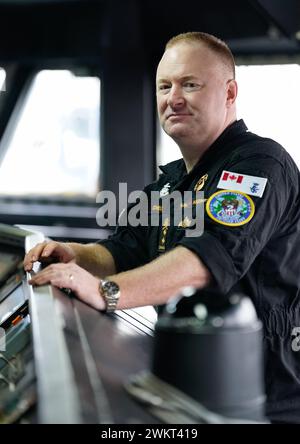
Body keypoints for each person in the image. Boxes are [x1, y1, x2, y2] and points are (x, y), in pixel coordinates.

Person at [24, 32, 300, 424]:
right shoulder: (170, 186)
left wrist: (107, 292)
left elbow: (207, 261)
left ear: (230, 92)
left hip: (263, 400)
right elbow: (122, 250)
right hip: (189, 385)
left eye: (190, 84)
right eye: (164, 86)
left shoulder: (258, 165)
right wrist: (74, 256)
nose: (174, 98)